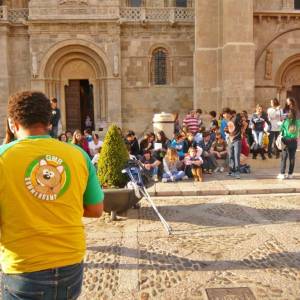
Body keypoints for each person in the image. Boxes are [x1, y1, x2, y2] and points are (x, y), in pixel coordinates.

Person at [0, 91, 103, 299]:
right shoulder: (79, 155)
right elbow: (96, 209)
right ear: (49, 122)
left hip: (24, 266)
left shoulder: (3, 157)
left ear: (14, 123)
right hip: (71, 264)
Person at [277, 109, 300, 179]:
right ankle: (290, 174)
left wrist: (281, 124)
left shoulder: (286, 121)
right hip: (294, 141)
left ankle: (282, 173)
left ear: (289, 114)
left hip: (286, 141)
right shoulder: (298, 122)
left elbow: (280, 129)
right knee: (292, 158)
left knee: (284, 157)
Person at [227, 112, 243, 179]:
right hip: (230, 140)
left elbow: (244, 124)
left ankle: (237, 172)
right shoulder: (229, 121)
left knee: (236, 156)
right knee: (231, 155)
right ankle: (231, 171)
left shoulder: (237, 119)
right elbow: (229, 129)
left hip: (237, 140)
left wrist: (242, 132)